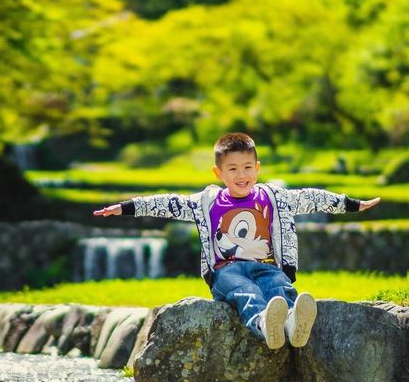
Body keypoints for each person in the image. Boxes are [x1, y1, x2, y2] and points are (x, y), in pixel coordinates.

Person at [94, 132, 380, 349]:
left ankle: (293, 323)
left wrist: (352, 204)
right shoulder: (206, 202)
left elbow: (313, 198)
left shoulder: (274, 197)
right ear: (218, 173)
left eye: (247, 168)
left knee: (279, 285)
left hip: (267, 266)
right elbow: (166, 204)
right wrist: (125, 207)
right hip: (227, 271)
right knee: (246, 292)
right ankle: (264, 324)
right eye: (232, 169)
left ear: (257, 168)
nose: (241, 175)